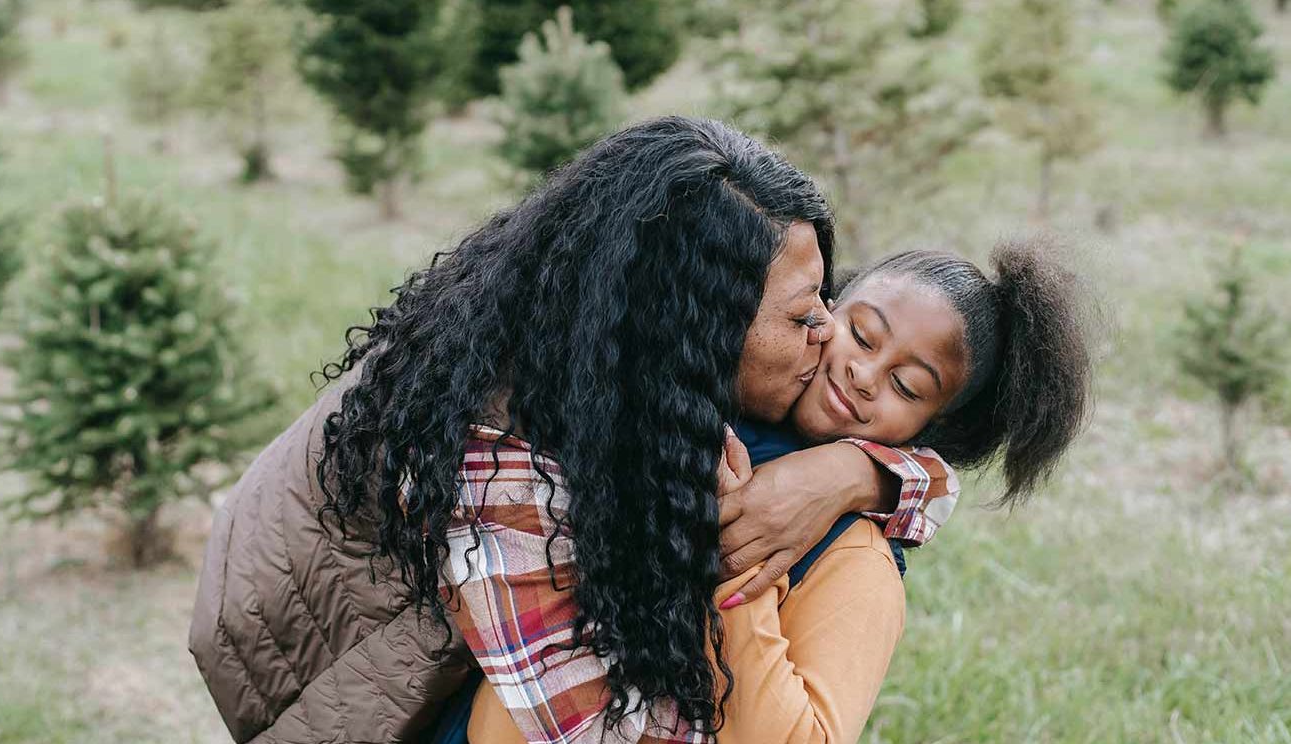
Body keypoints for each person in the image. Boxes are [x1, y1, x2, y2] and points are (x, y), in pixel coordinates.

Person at [187, 117, 957, 744]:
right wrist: (740, 580)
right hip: (331, 692)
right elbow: (608, 731)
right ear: (693, 331)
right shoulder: (496, 462)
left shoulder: (609, 360)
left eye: (828, 295)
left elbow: (931, 471)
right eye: (803, 314)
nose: (831, 337)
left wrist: (870, 474)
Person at [463, 239, 1094, 743]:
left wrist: (739, 574)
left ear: (935, 426)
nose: (865, 374)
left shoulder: (857, 563)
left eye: (906, 387)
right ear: (825, 306)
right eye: (863, 335)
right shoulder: (720, 388)